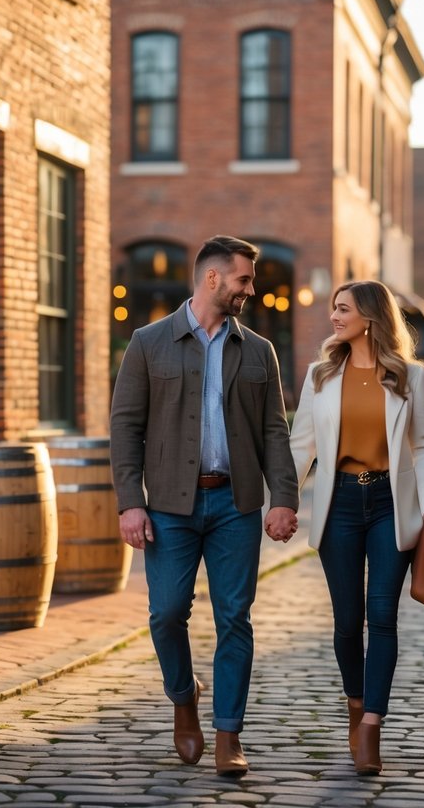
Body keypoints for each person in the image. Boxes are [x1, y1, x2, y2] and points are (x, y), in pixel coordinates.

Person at [110, 235, 299, 778]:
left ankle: (228, 735)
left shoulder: (259, 350)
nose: (250, 290)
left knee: (234, 618)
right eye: (244, 280)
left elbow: (273, 430)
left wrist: (283, 497)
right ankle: (183, 696)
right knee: (166, 613)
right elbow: (125, 426)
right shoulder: (149, 342)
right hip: (168, 506)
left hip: (235, 506)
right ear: (212, 278)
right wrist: (130, 503)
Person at [287, 280, 424, 775]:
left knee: (382, 615)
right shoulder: (320, 375)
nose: (334, 317)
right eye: (334, 308)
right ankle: (355, 705)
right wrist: (283, 503)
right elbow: (301, 446)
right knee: (345, 622)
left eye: (343, 309)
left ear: (371, 317)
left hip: (388, 504)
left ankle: (373, 724)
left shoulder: (410, 376)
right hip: (338, 504)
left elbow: (423, 445)